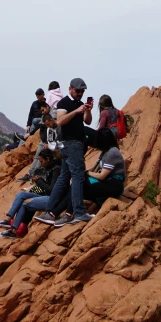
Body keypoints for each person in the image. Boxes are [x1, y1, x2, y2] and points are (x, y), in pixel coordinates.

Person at [36, 127, 126, 227]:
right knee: (77, 186)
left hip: (114, 186)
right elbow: (95, 169)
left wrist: (85, 173)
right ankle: (59, 214)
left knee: (79, 184)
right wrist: (84, 174)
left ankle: (61, 214)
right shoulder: (105, 152)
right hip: (107, 183)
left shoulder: (113, 152)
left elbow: (101, 176)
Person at [40, 77, 94, 225]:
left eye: (82, 91)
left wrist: (87, 111)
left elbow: (87, 121)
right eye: (77, 91)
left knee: (64, 177)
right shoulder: (64, 103)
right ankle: (78, 212)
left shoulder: (81, 104)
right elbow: (60, 121)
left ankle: (50, 211)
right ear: (70, 89)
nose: (80, 94)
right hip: (70, 144)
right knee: (78, 176)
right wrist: (77, 111)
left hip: (73, 144)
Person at [0, 149, 61, 238]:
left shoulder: (56, 169)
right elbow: (46, 187)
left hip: (52, 199)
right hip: (46, 195)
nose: (41, 163)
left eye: (42, 161)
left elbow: (52, 190)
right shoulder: (49, 168)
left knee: (25, 204)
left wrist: (39, 181)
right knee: (21, 194)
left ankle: (14, 230)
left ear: (48, 159)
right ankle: (8, 219)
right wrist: (36, 185)